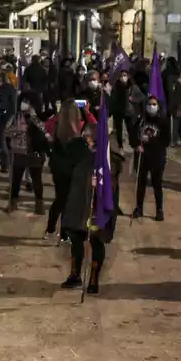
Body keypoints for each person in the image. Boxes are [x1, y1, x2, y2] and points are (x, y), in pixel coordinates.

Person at [60, 122, 122, 294]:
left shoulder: (108, 159)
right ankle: (75, 274)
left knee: (96, 240)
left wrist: (99, 184)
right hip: (79, 205)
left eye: (87, 136)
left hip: (96, 208)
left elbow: (112, 185)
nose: (85, 139)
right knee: (76, 238)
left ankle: (93, 279)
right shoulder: (82, 155)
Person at [47, 100, 87, 240]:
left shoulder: (57, 127)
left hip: (59, 171)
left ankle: (51, 229)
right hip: (71, 172)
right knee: (68, 204)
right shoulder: (77, 136)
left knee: (60, 200)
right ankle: (63, 233)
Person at [6, 91, 48, 214]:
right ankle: (13, 202)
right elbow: (7, 132)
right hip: (19, 153)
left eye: (28, 102)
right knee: (16, 180)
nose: (25, 104)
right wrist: (17, 130)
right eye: (24, 101)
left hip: (34, 154)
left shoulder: (39, 118)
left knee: (37, 181)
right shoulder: (15, 117)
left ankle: (39, 204)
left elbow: (46, 134)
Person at [130, 95, 171, 221]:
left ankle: (159, 210)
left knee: (156, 184)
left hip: (157, 157)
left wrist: (150, 140)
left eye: (154, 104)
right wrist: (136, 145)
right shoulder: (141, 120)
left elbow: (166, 141)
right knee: (141, 183)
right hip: (142, 156)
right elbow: (133, 135)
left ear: (158, 106)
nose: (151, 107)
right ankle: (139, 208)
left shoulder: (163, 122)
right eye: (149, 104)